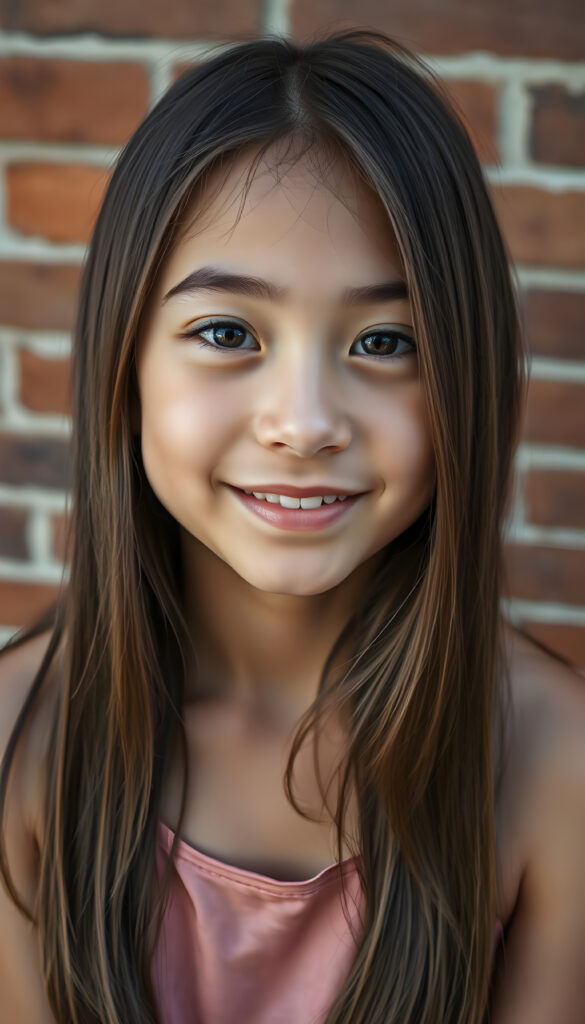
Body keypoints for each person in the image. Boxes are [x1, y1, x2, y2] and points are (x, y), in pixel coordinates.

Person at [1, 28, 584, 1024]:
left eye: (386, 340)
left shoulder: (552, 761)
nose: (305, 422)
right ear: (126, 365)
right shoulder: (22, 742)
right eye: (228, 332)